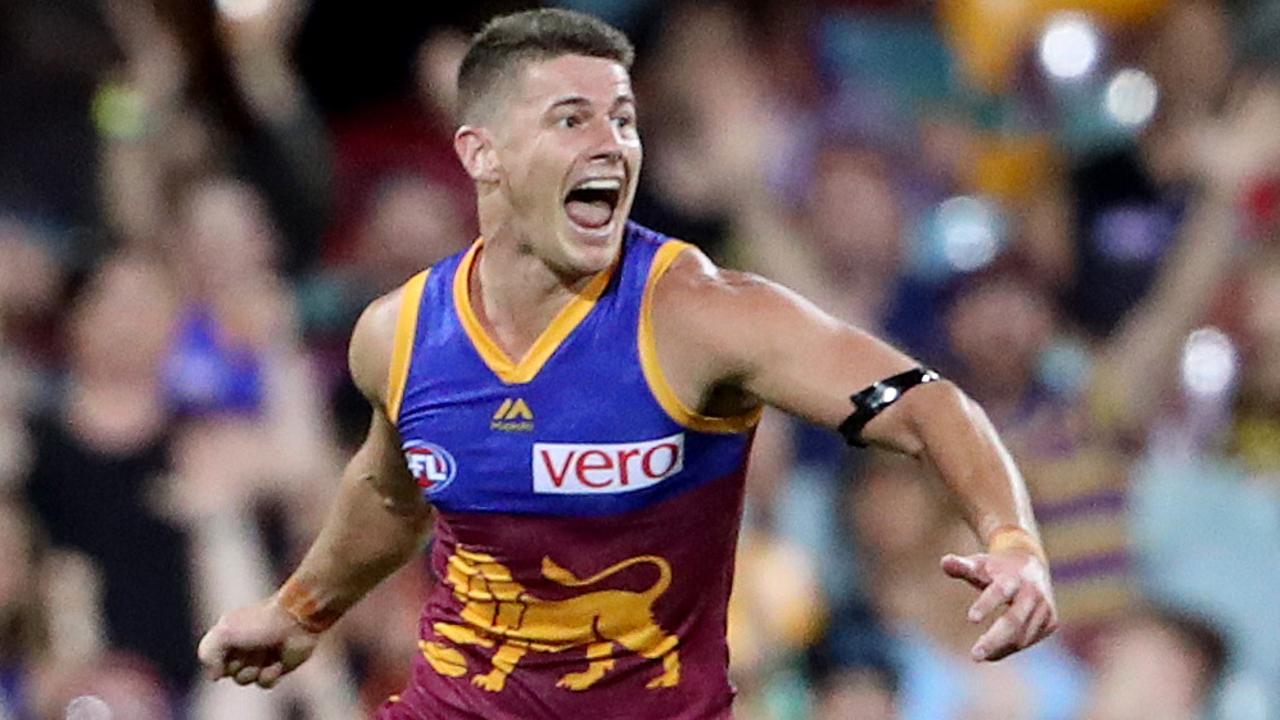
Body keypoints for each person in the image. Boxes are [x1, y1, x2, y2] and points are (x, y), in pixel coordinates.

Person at [197, 9, 1057, 719]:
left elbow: (924, 403)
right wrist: (301, 610)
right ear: (481, 154)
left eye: (624, 119)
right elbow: (393, 493)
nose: (612, 144)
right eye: (572, 119)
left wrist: (1011, 539)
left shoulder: (700, 315)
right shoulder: (400, 333)